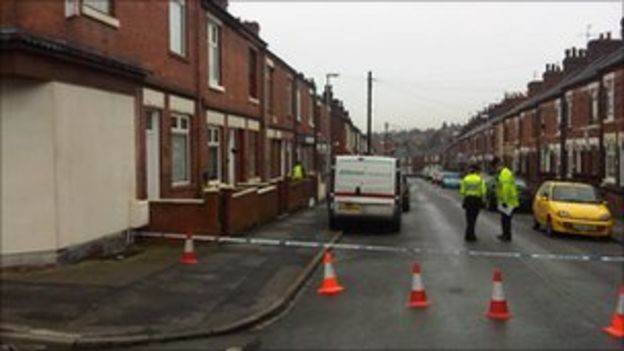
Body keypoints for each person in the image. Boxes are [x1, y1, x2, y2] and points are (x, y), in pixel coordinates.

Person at [492, 157, 519, 242]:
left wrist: (504, 201)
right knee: (504, 219)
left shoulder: (505, 173)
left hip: (508, 201)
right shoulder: (502, 173)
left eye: (495, 167)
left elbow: (505, 188)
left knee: (506, 219)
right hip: (506, 200)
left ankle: (507, 235)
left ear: (498, 165)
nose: (495, 169)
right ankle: (505, 234)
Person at [459, 164, 487, 242]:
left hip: (468, 199)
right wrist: (484, 200)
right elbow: (483, 191)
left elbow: (462, 191)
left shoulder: (466, 179)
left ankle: (468, 234)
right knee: (474, 218)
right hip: (476, 200)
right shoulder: (480, 179)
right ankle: (471, 234)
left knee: (468, 218)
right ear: (477, 171)